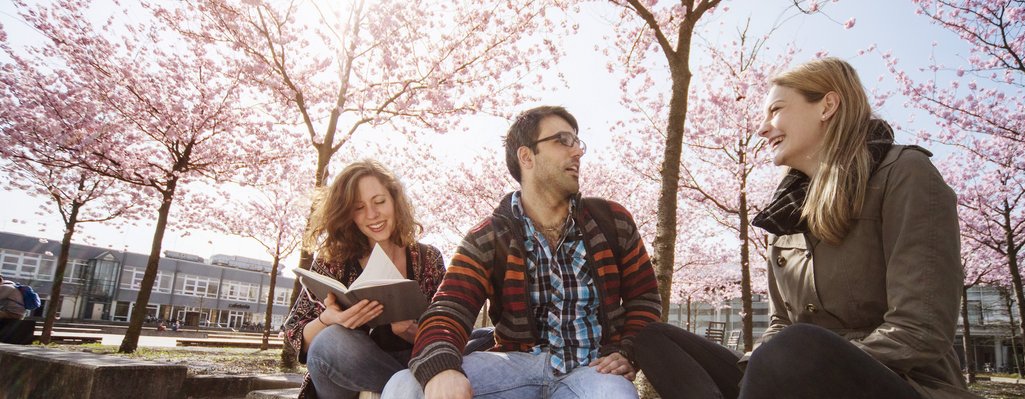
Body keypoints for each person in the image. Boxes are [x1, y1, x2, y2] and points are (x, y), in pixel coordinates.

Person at [632, 57, 977, 399]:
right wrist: (765, 368)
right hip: (794, 375)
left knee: (796, 345)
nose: (763, 128)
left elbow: (920, 330)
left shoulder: (905, 173)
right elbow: (781, 323)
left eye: (776, 110)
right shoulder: (785, 213)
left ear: (827, 105)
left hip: (901, 382)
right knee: (653, 338)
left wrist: (798, 368)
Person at [382, 106, 662, 399]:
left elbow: (644, 299)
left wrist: (627, 351)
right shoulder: (488, 236)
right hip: (514, 364)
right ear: (526, 156)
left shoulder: (612, 221)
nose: (578, 151)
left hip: (594, 371)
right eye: (564, 140)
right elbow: (449, 307)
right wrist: (441, 369)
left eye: (578, 142)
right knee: (405, 386)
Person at [280, 160, 491, 399]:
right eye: (359, 207)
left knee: (488, 337)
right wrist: (327, 319)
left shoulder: (428, 258)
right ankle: (414, 390)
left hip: (416, 362)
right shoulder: (333, 260)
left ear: (394, 201)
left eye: (379, 202)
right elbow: (295, 334)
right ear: (348, 214)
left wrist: (410, 330)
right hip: (351, 369)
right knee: (329, 342)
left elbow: (446, 326)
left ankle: (407, 389)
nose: (372, 215)